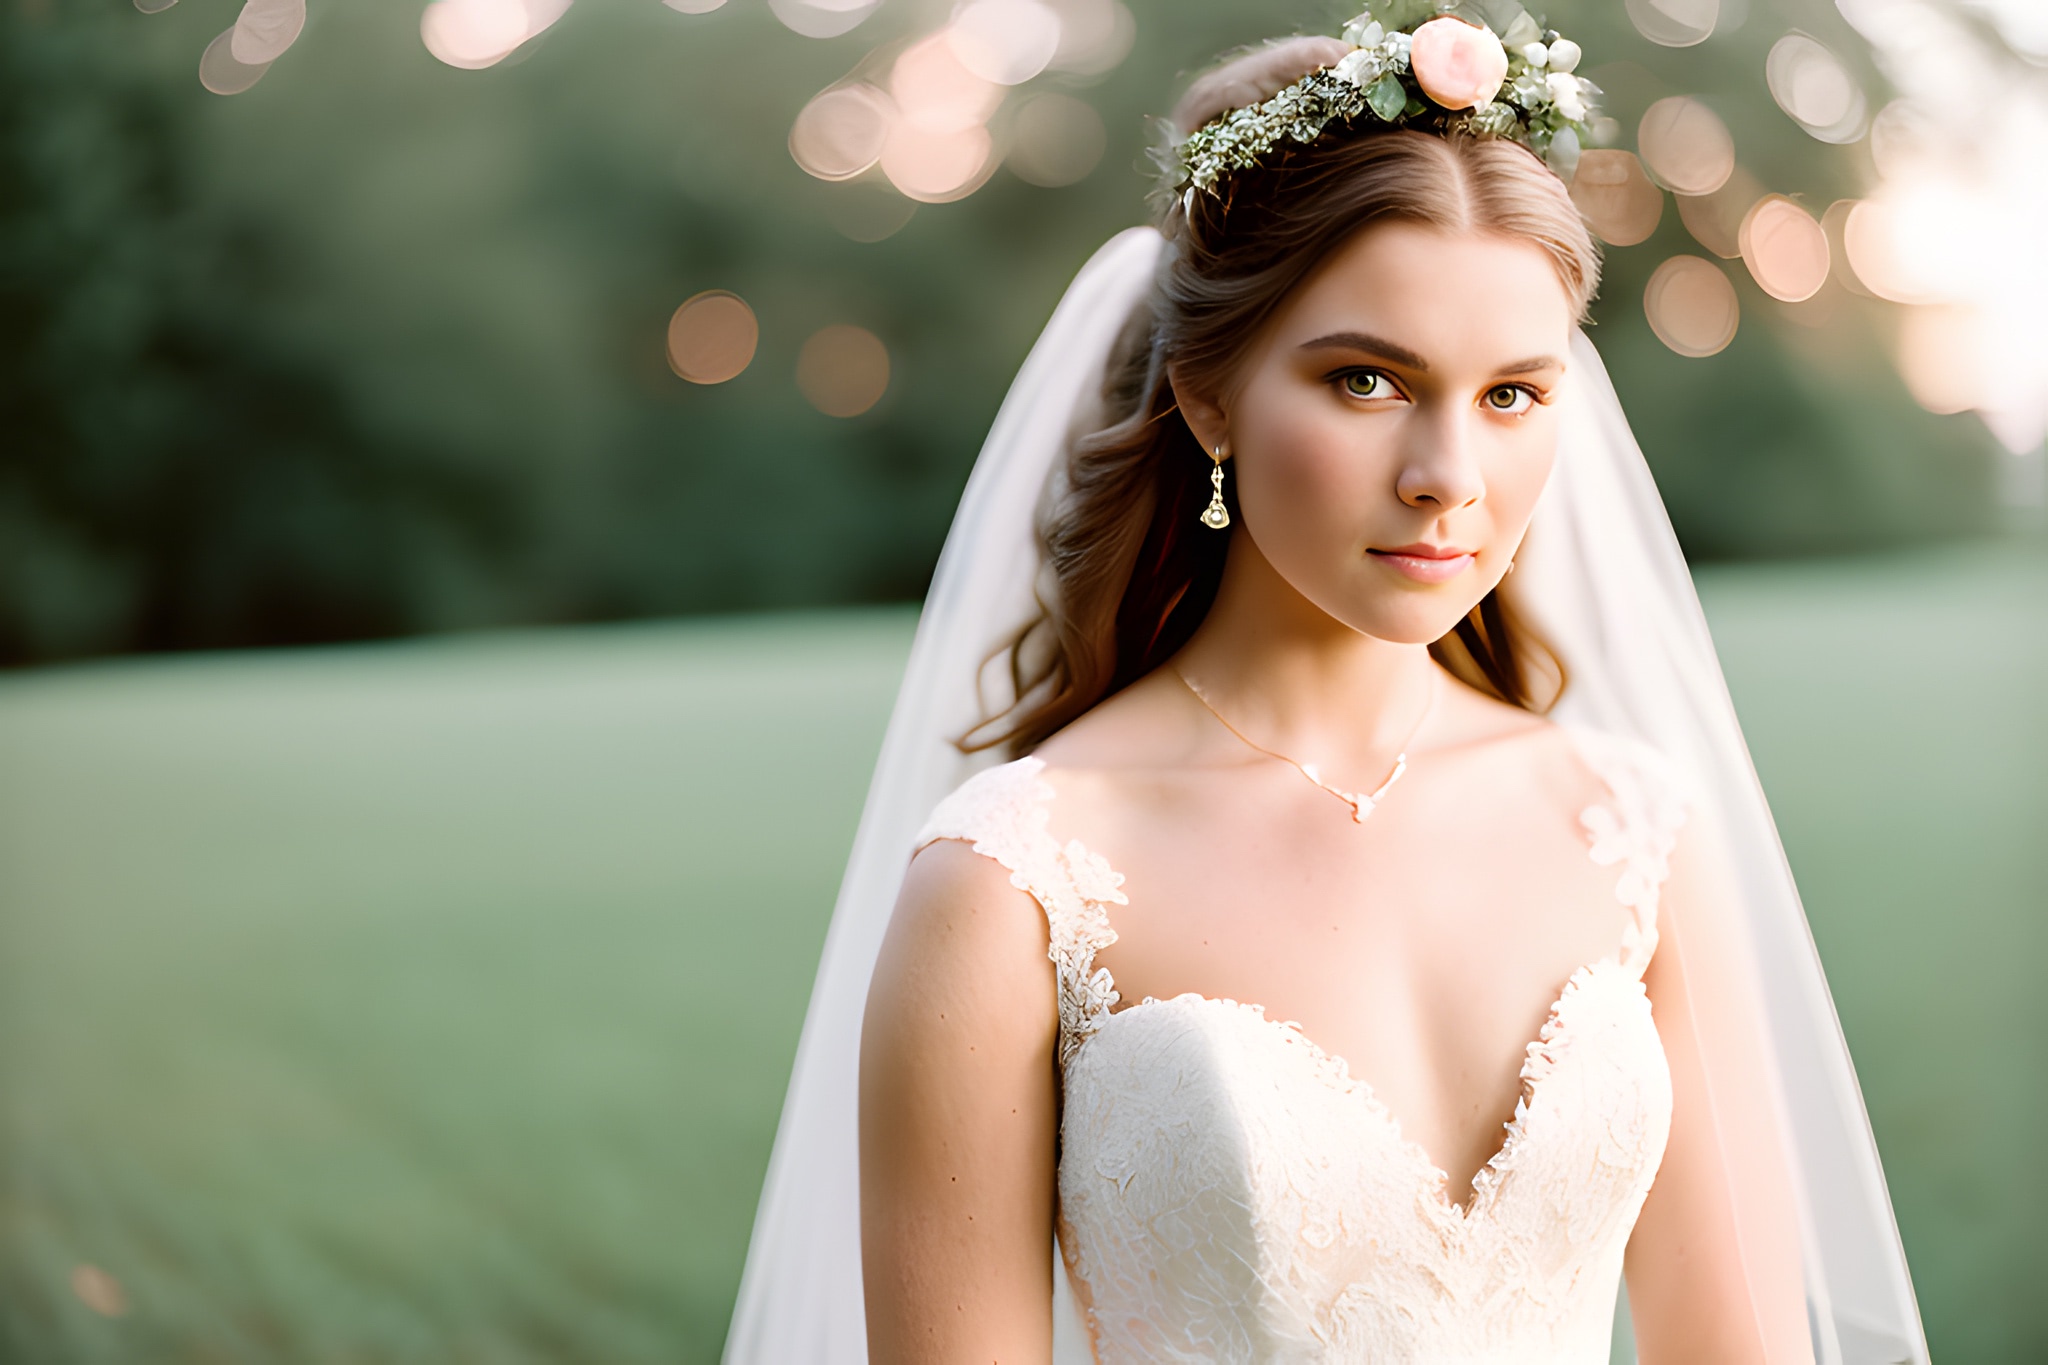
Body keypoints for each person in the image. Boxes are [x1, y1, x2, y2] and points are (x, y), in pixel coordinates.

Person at [726, 9, 1927, 1364]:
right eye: (1368, 380)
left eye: (1514, 394)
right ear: (1208, 395)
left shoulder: (1633, 829)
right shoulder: (1013, 879)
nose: (1449, 475)